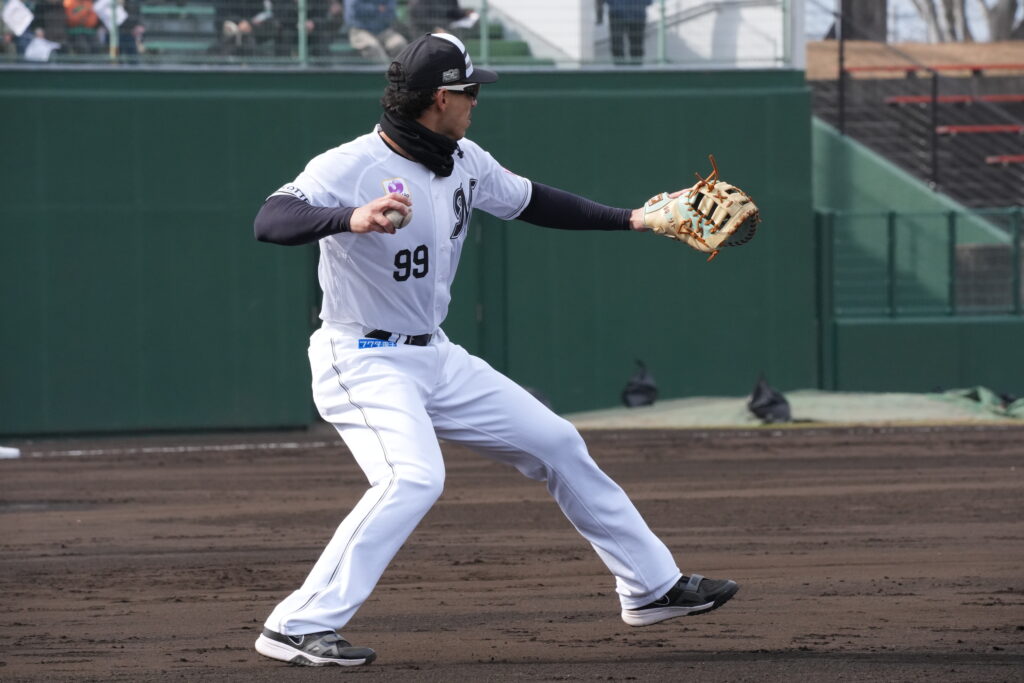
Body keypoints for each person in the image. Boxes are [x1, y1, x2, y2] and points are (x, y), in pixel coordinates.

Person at [251, 32, 738, 668]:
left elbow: (534, 201)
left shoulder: (464, 160)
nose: (477, 101)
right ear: (440, 99)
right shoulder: (349, 165)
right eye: (470, 92)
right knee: (412, 478)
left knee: (556, 442)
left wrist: (635, 218)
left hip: (436, 356)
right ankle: (297, 625)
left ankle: (651, 588)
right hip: (362, 356)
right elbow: (270, 220)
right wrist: (351, 217)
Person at [597, 0, 651, 64]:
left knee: (634, 48)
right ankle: (627, 67)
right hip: (628, 12)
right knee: (628, 47)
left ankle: (628, 67)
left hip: (626, 12)